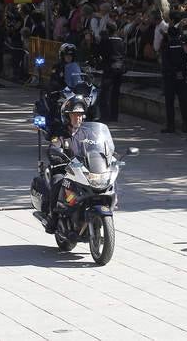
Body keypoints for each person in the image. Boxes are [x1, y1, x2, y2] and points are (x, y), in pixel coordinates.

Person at [43, 96, 88, 231]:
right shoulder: (60, 133)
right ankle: (53, 217)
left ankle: (111, 202)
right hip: (65, 170)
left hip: (85, 171)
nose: (78, 118)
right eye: (74, 115)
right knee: (58, 181)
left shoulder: (87, 133)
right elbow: (53, 146)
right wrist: (56, 152)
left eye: (80, 115)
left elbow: (99, 145)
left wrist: (109, 154)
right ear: (67, 116)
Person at [96, 22, 126, 122]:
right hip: (119, 68)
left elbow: (100, 53)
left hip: (109, 69)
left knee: (104, 93)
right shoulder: (121, 41)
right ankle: (114, 115)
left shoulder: (106, 41)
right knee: (115, 94)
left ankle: (104, 116)